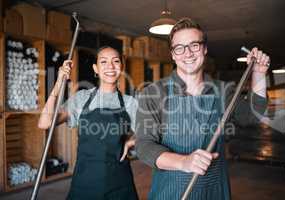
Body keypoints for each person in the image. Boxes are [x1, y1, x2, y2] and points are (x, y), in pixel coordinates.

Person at [135, 18, 269, 199]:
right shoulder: (153, 93)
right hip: (171, 191)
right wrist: (184, 162)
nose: (188, 53)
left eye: (194, 45)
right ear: (173, 54)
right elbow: (144, 146)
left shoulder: (224, 91)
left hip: (214, 190)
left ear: (204, 49)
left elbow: (252, 116)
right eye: (180, 48)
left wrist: (259, 73)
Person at [38, 46, 139, 200]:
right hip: (85, 179)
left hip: (119, 180)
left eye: (116, 61)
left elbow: (152, 132)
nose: (110, 66)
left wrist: (131, 141)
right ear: (95, 68)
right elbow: (45, 123)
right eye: (103, 62)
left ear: (121, 67)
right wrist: (58, 83)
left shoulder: (129, 103)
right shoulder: (81, 99)